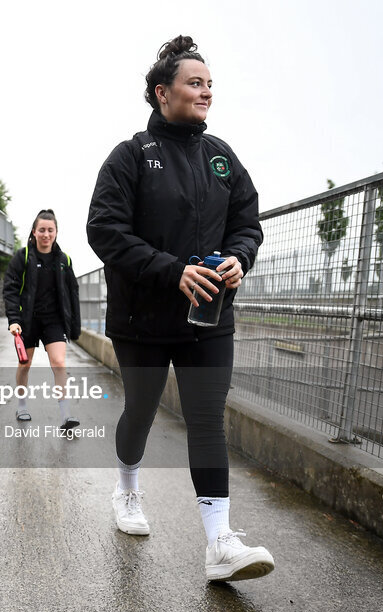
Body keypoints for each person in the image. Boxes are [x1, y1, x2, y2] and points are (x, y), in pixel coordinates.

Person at [86, 36, 273, 582]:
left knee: (206, 420)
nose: (206, 92)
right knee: (140, 411)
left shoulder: (222, 157)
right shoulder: (130, 156)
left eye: (210, 84)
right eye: (195, 83)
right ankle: (126, 490)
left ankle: (219, 543)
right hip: (143, 320)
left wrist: (240, 256)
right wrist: (173, 270)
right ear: (161, 93)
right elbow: (105, 230)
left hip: (208, 316)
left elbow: (247, 222)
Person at [3, 209, 81, 430]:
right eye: (42, 230)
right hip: (27, 320)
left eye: (50, 230)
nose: (46, 234)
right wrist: (13, 320)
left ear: (56, 232)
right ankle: (22, 404)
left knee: (58, 362)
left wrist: (74, 326)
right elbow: (10, 289)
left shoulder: (64, 260)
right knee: (24, 363)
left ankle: (66, 415)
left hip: (53, 320)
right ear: (34, 232)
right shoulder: (23, 257)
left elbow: (72, 293)